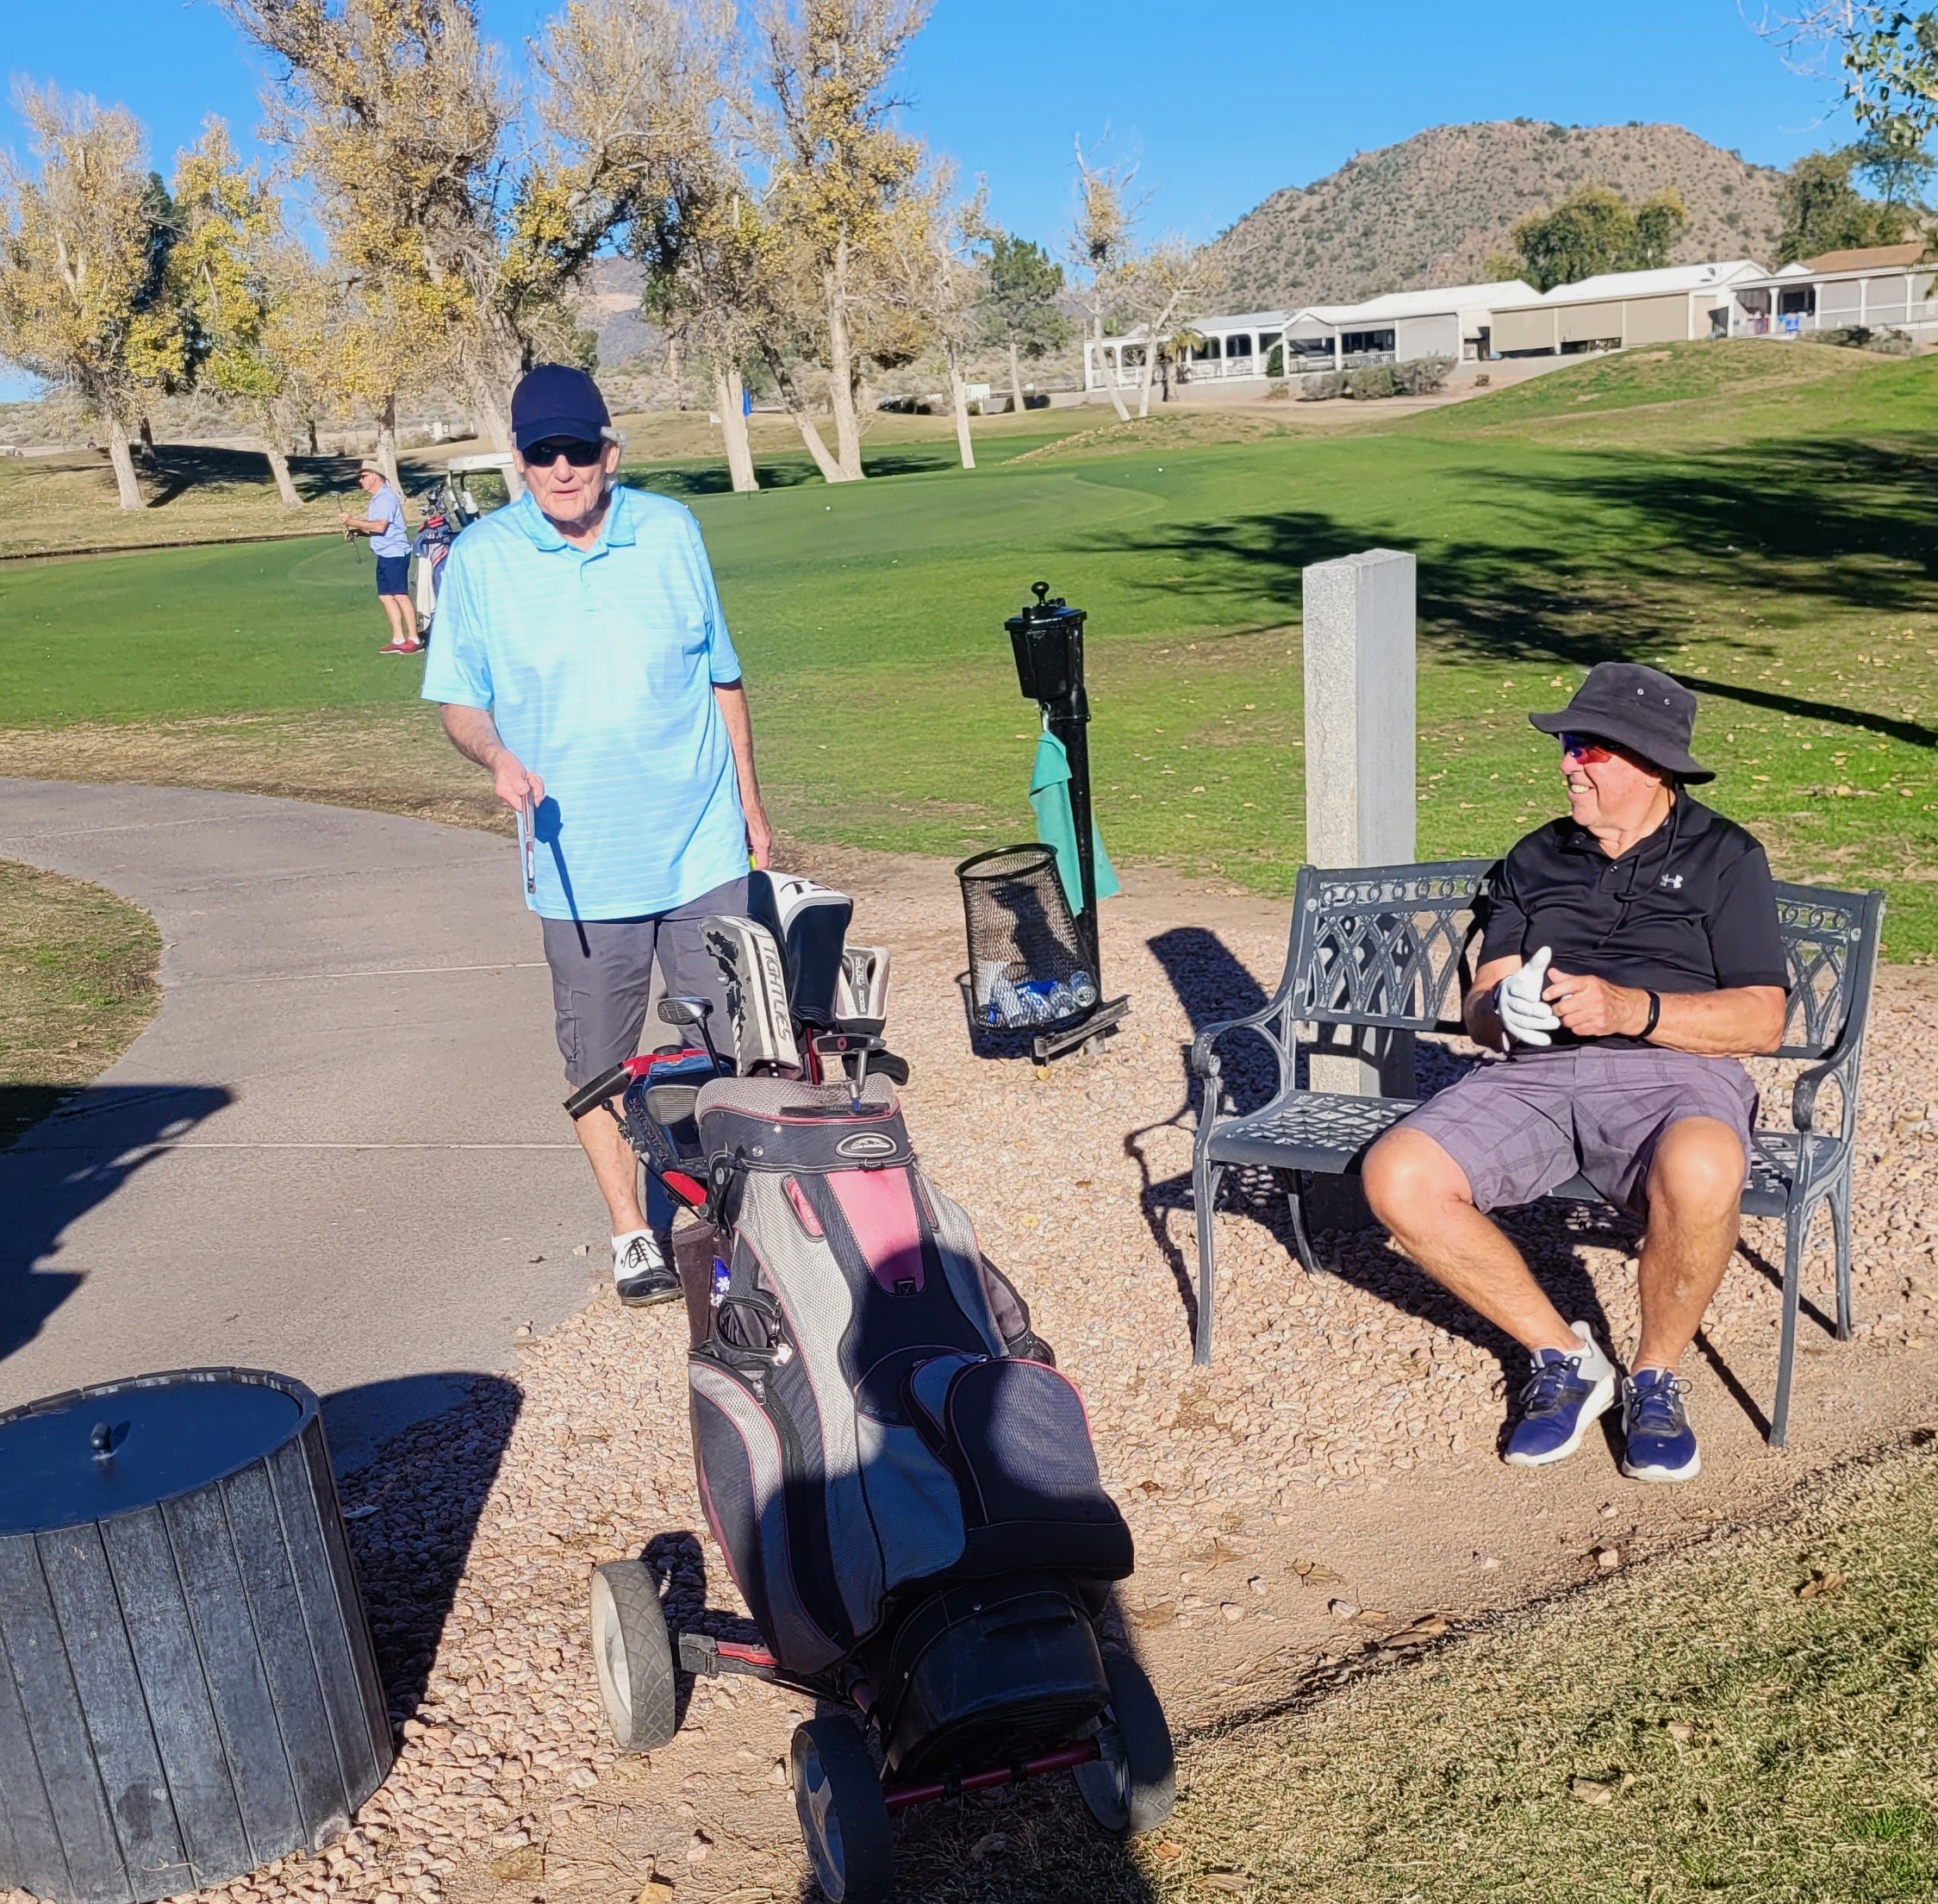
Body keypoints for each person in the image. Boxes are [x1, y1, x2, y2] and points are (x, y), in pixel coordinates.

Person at [1362, 663, 1789, 1484]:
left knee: (1704, 1165)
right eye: (1566, 743)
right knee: (1398, 1176)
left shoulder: (1726, 856)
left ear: (1651, 764)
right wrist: (1502, 1008)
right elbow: (1481, 1004)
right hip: (1534, 1076)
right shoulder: (1536, 855)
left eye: (1588, 748)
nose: (1566, 764)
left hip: (1673, 1072)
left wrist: (1634, 1009)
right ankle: (1563, 1355)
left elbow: (1761, 1019)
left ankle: (1654, 1376)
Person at [421, 364, 772, 1308]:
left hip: (700, 843)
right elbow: (457, 700)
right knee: (598, 1063)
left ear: (609, 452)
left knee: (729, 1046)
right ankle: (631, 1232)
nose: (563, 468)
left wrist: (749, 801)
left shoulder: (671, 530)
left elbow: (720, 676)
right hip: (581, 867)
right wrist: (495, 755)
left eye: (579, 449)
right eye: (544, 453)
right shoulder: (480, 560)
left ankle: (732, 1226)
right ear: (519, 461)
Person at [340, 458, 419, 654]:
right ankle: (398, 638)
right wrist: (357, 531)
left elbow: (380, 526)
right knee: (385, 596)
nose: (361, 480)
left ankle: (414, 638)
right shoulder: (376, 499)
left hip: (395, 553)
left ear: (374, 477)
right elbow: (376, 529)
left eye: (364, 476)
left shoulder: (385, 498)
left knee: (400, 595)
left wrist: (353, 521)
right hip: (385, 553)